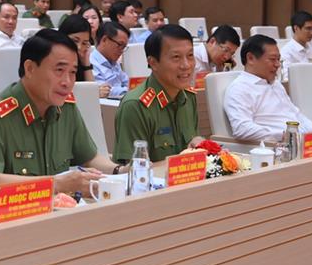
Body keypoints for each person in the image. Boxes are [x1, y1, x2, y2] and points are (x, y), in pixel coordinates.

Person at [0, 30, 119, 194]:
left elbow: (90, 158)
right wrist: (56, 184)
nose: (67, 82)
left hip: (57, 212)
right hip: (6, 216)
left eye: (73, 72)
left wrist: (121, 171)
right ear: (30, 68)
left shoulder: (66, 107)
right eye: (59, 70)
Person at [113, 24, 205, 162]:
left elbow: (192, 144)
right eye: (176, 57)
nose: (186, 65)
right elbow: (133, 171)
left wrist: (198, 142)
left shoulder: (189, 97)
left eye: (190, 56)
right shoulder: (135, 106)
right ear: (153, 63)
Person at [223, 34, 312, 142]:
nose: (277, 64)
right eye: (272, 59)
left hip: (300, 141)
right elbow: (242, 129)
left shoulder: (276, 84)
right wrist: (280, 136)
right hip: (277, 147)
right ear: (250, 58)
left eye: (278, 59)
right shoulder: (240, 89)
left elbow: (296, 115)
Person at [58, 14, 109, 93]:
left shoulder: (80, 59)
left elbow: (90, 89)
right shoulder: (53, 59)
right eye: (75, 41)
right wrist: (91, 92)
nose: (79, 47)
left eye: (84, 43)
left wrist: (86, 62)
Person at [90, 21, 129, 98]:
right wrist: (129, 90)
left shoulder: (113, 60)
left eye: (124, 47)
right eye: (120, 45)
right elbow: (105, 91)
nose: (121, 51)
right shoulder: (91, 63)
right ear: (104, 40)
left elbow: (126, 81)